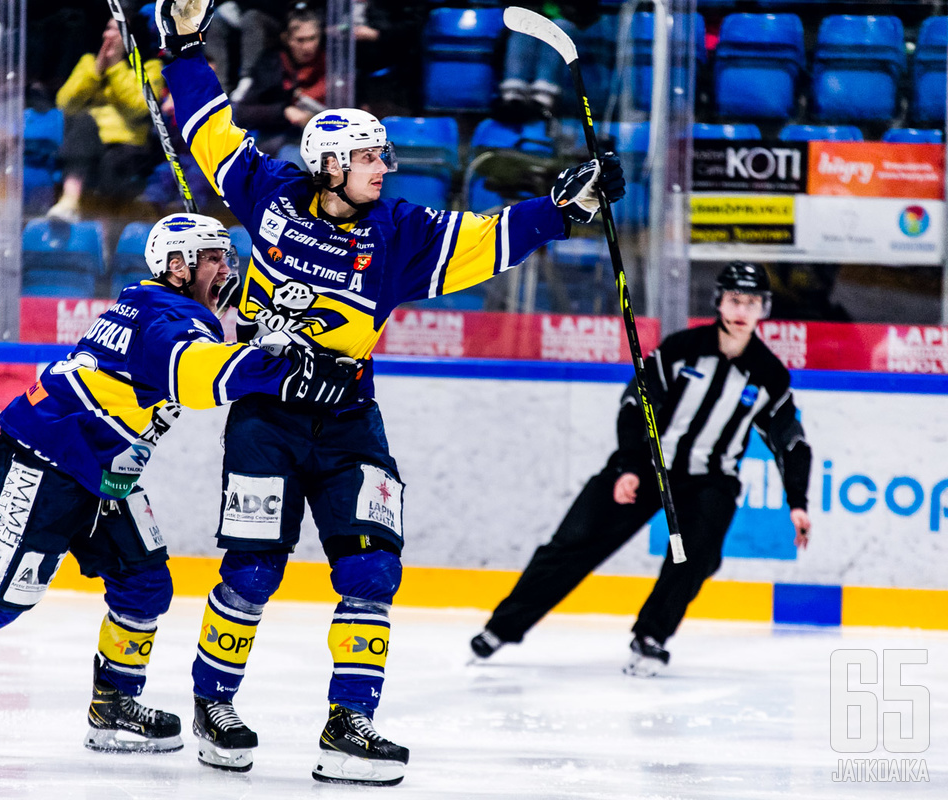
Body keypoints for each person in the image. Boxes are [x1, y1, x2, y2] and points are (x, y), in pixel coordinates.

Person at [153, 0, 625, 785]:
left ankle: (350, 726)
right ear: (330, 165)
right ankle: (213, 703)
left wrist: (564, 205)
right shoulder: (268, 193)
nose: (385, 166)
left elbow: (487, 239)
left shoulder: (399, 234)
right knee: (252, 572)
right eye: (371, 156)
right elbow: (207, 127)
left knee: (372, 571)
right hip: (266, 420)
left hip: (349, 424)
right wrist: (185, 44)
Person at [0, 212, 361, 753]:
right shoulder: (163, 318)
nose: (226, 270)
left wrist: (274, 338)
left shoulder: (165, 307)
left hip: (103, 476)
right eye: (214, 259)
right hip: (44, 459)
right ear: (177, 266)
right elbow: (199, 376)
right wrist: (291, 371)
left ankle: (113, 707)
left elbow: (213, 347)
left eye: (226, 257)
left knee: (145, 583)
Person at [470, 262, 814, 676]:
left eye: (752, 302)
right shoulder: (681, 350)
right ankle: (502, 628)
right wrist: (630, 466)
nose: (742, 309)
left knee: (695, 557)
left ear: (765, 309)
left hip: (710, 482)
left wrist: (798, 501)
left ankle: (651, 637)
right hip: (646, 468)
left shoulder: (769, 375)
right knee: (572, 544)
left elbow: (791, 441)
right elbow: (635, 405)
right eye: (734, 299)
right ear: (719, 302)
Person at [47, 18, 163, 222]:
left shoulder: (151, 67)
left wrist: (116, 66)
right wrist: (97, 70)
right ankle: (69, 203)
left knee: (111, 164)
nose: (108, 35)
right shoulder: (88, 63)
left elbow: (139, 107)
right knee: (83, 120)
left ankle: (106, 230)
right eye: (108, 28)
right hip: (86, 141)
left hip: (126, 145)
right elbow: (65, 102)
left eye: (116, 31)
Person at [232, 2, 325, 155]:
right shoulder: (272, 64)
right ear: (287, 39)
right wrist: (284, 112)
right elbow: (242, 113)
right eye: (300, 40)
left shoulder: (333, 63)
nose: (308, 47)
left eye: (312, 38)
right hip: (283, 137)